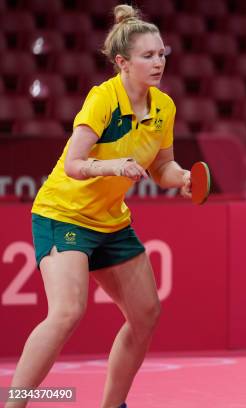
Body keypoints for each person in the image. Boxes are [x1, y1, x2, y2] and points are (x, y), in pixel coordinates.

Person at [7, 5, 191, 408]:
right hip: (63, 212)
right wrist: (114, 166)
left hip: (110, 221)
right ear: (122, 63)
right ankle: (14, 403)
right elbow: (73, 164)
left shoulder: (164, 108)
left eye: (162, 54)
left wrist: (182, 178)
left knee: (146, 315)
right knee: (67, 312)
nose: (159, 62)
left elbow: (162, 166)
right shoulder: (102, 100)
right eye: (148, 56)